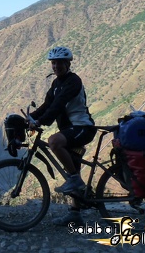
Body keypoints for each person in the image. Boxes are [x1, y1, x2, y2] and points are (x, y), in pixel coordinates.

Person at [28, 46, 96, 226]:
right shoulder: (56, 83)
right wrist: (29, 118)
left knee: (54, 142)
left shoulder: (73, 81)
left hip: (82, 128)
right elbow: (47, 105)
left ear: (68, 64)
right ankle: (75, 213)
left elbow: (58, 105)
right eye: (53, 63)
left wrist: (40, 122)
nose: (56, 66)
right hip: (71, 130)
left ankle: (75, 180)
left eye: (60, 63)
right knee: (72, 165)